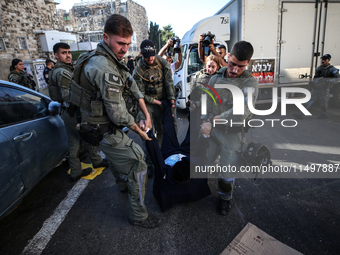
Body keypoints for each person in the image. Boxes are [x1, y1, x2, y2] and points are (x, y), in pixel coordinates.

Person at [69, 14, 161, 228]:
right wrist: (140, 131)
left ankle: (122, 185)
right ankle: (139, 216)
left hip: (103, 125)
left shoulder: (111, 59)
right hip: (101, 128)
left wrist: (146, 114)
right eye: (121, 43)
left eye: (128, 44)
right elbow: (118, 114)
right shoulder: (103, 67)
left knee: (121, 157)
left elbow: (132, 86)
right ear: (106, 37)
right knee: (137, 161)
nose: (125, 49)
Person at [203, 41, 259, 216]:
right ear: (227, 57)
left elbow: (243, 110)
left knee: (227, 173)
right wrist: (205, 121)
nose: (235, 70)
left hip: (233, 135)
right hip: (212, 130)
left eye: (240, 66)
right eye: (233, 64)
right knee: (205, 161)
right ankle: (199, 188)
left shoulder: (250, 82)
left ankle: (225, 198)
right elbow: (207, 100)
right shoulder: (215, 77)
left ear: (248, 63)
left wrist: (218, 119)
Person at [49, 42, 108, 182]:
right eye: (64, 53)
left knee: (74, 142)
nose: (68, 55)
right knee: (87, 136)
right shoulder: (63, 72)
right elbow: (67, 96)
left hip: (67, 112)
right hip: (73, 112)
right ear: (56, 55)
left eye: (69, 52)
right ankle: (96, 161)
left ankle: (76, 171)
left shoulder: (61, 69)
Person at [142, 100, 211, 212]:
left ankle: (166, 104)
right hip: (186, 153)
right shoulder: (195, 171)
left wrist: (148, 132)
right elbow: (200, 153)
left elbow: (155, 154)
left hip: (169, 153)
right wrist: (205, 135)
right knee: (193, 131)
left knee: (168, 129)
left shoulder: (164, 175)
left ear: (171, 168)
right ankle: (196, 107)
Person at [133, 39, 176, 177]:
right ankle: (150, 161)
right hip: (148, 105)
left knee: (165, 130)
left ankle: (164, 156)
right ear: (141, 54)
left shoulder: (161, 62)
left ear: (156, 52)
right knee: (147, 132)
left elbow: (169, 81)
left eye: (152, 55)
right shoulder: (138, 70)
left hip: (163, 101)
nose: (150, 59)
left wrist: (171, 101)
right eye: (146, 56)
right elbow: (140, 95)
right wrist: (156, 102)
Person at [294, 54, 339, 119]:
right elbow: (316, 77)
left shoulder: (332, 69)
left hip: (325, 88)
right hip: (317, 87)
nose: (323, 61)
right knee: (309, 100)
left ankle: (324, 114)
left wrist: (328, 80)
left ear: (328, 60)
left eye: (324, 60)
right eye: (322, 59)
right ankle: (300, 114)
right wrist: (313, 83)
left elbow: (337, 79)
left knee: (323, 103)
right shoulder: (319, 68)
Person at [189, 55, 221, 141]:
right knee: (195, 130)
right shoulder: (198, 75)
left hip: (211, 109)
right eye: (209, 66)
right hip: (197, 109)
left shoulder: (219, 78)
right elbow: (193, 90)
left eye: (213, 67)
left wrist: (197, 103)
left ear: (217, 67)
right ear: (205, 65)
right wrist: (191, 102)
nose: (210, 69)